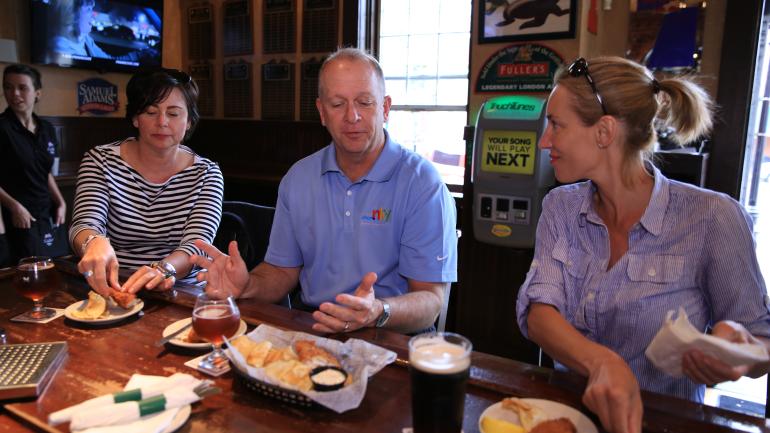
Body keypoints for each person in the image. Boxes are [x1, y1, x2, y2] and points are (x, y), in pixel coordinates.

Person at [516, 56, 770, 433]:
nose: (544, 141)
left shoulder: (713, 218)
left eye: (556, 124)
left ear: (604, 132)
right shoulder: (561, 206)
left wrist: (737, 352)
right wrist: (603, 362)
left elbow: (762, 342)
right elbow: (539, 314)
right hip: (567, 418)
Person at [190, 47, 458, 335]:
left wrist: (377, 311)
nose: (352, 116)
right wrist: (247, 286)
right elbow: (281, 271)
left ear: (385, 108)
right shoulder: (299, 177)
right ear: (321, 112)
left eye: (365, 102)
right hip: (313, 327)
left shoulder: (421, 183)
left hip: (393, 334)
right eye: (337, 103)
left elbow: (431, 300)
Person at [69, 68, 223, 298]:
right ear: (135, 118)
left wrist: (164, 270)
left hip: (182, 291)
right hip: (114, 286)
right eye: (151, 112)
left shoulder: (206, 173)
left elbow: (196, 245)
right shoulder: (100, 160)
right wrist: (93, 241)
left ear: (189, 121)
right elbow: (84, 223)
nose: (162, 122)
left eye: (173, 114)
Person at [0, 64, 68, 266]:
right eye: (8, 87)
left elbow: (45, 172)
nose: (15, 94)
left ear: (37, 93)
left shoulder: (46, 128)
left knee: (58, 266)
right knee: (29, 271)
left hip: (47, 211)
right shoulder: (2, 128)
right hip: (18, 214)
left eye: (22, 87)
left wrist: (61, 201)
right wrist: (14, 207)